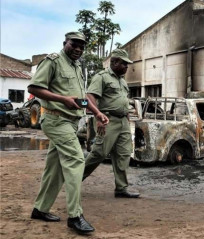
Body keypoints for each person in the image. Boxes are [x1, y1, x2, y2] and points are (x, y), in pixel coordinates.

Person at [28, 31, 109, 235]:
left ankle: (40, 209)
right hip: (56, 119)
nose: (78, 49)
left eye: (82, 46)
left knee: (54, 168)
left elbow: (81, 98)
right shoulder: (53, 61)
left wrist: (97, 113)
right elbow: (35, 87)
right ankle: (75, 216)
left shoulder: (77, 67)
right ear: (65, 43)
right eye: (74, 44)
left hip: (70, 122)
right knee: (76, 160)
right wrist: (62, 99)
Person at [83, 49, 140, 198]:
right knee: (99, 153)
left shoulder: (122, 81)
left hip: (123, 121)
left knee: (123, 154)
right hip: (108, 120)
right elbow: (90, 97)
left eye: (127, 64)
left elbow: (123, 100)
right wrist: (98, 117)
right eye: (124, 64)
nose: (126, 67)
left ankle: (121, 188)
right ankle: (75, 179)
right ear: (114, 62)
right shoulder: (101, 77)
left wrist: (127, 116)